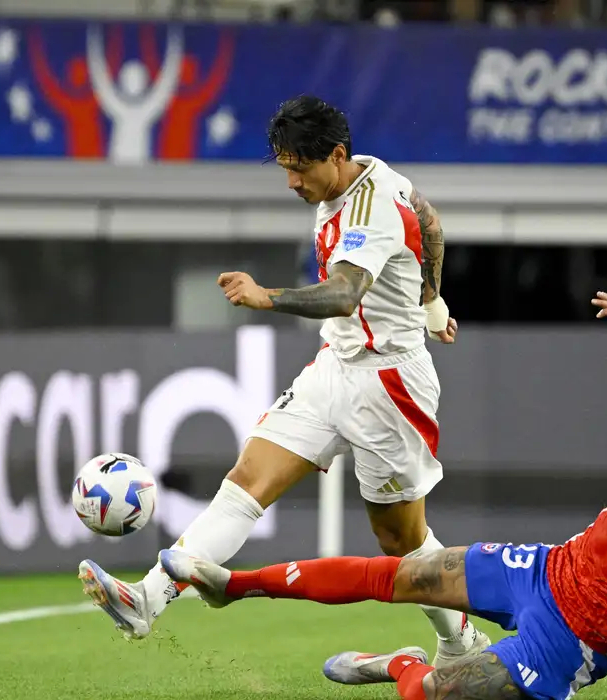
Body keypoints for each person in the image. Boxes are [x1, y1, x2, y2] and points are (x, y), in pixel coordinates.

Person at [158, 290, 607, 700]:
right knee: (399, 572)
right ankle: (232, 586)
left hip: (569, 642)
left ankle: (398, 663)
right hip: (547, 570)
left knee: (430, 692)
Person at [78, 94, 491, 666]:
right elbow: (427, 218)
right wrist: (431, 297)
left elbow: (346, 294)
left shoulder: (367, 207)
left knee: (402, 540)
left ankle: (460, 639)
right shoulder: (369, 175)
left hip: (390, 386)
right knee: (247, 479)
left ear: (335, 155)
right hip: (335, 367)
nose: (291, 182)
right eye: (285, 168)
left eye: (299, 169)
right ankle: (147, 599)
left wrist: (266, 296)